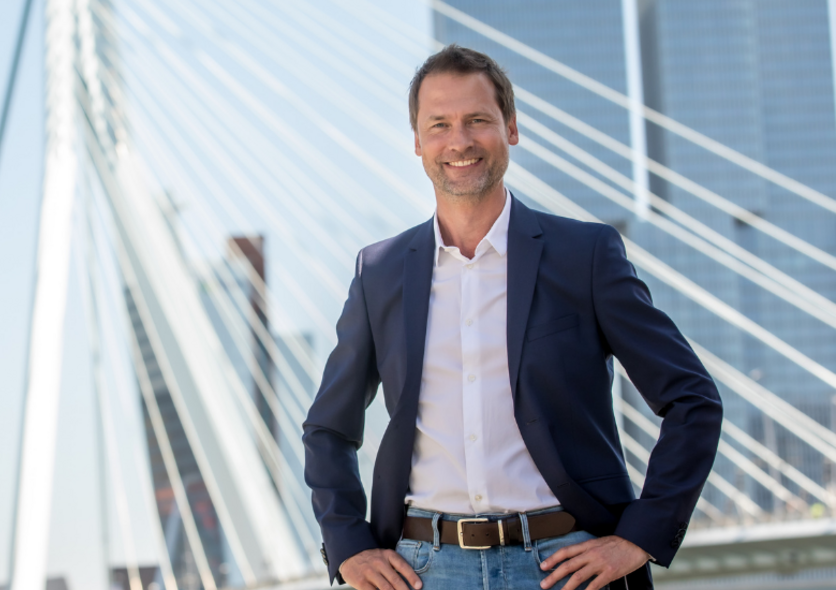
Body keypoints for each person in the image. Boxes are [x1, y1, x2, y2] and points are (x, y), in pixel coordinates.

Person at [302, 45, 722, 590]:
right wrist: (348, 545)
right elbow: (327, 428)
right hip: (425, 571)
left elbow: (693, 400)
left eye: (478, 120)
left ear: (511, 128)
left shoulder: (585, 256)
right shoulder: (379, 271)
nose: (459, 141)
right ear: (417, 142)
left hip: (566, 567)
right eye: (440, 125)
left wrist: (641, 536)